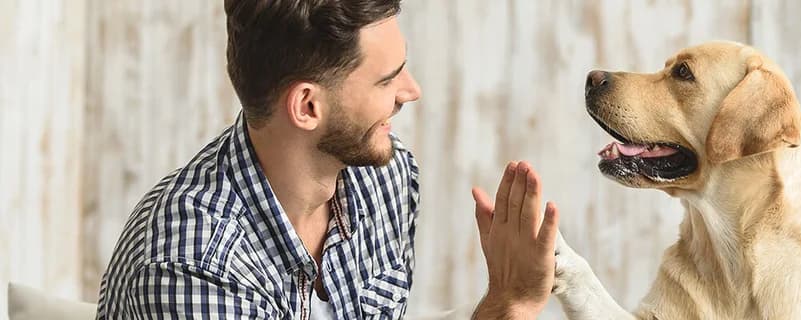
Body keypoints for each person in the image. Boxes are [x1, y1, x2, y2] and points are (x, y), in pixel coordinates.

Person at [96, 1, 559, 318]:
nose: (411, 91)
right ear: (307, 106)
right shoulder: (195, 267)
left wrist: (508, 299)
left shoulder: (385, 181)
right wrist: (509, 306)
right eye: (387, 80)